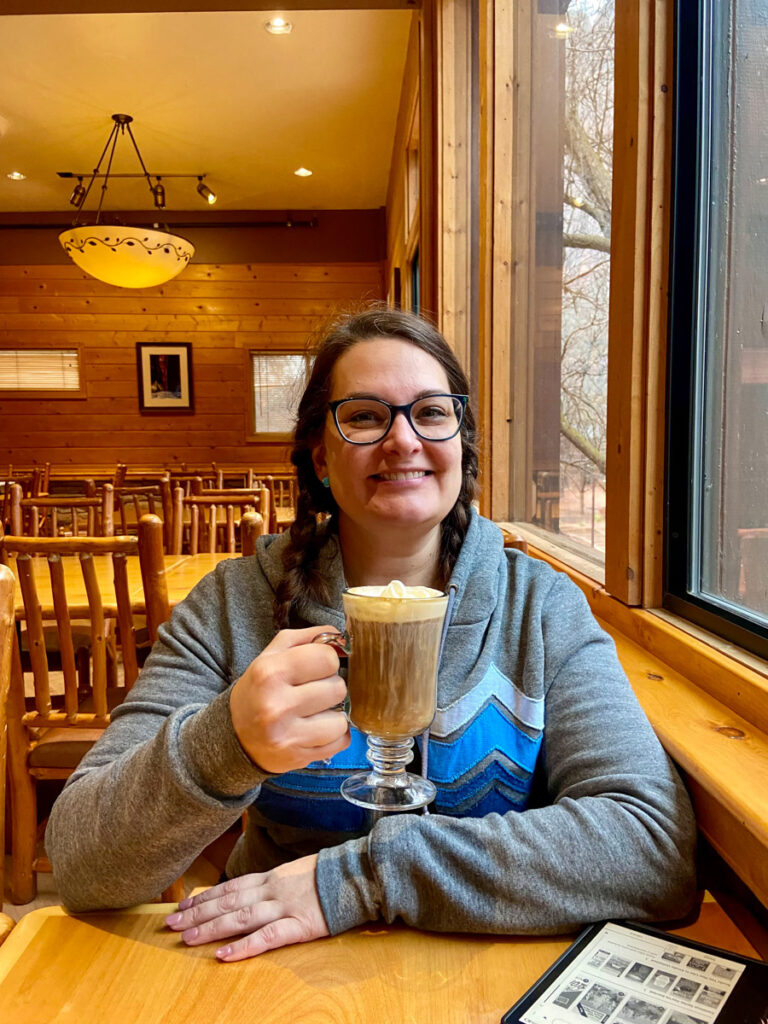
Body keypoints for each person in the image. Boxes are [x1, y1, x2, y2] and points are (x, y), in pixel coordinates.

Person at [47, 306, 697, 962]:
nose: (404, 439)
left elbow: (652, 847)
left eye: (432, 412)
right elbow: (81, 864)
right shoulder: (234, 604)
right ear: (320, 458)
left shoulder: (541, 607)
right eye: (364, 415)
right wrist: (227, 742)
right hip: (269, 973)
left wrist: (363, 877)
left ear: (462, 447)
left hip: (478, 974)